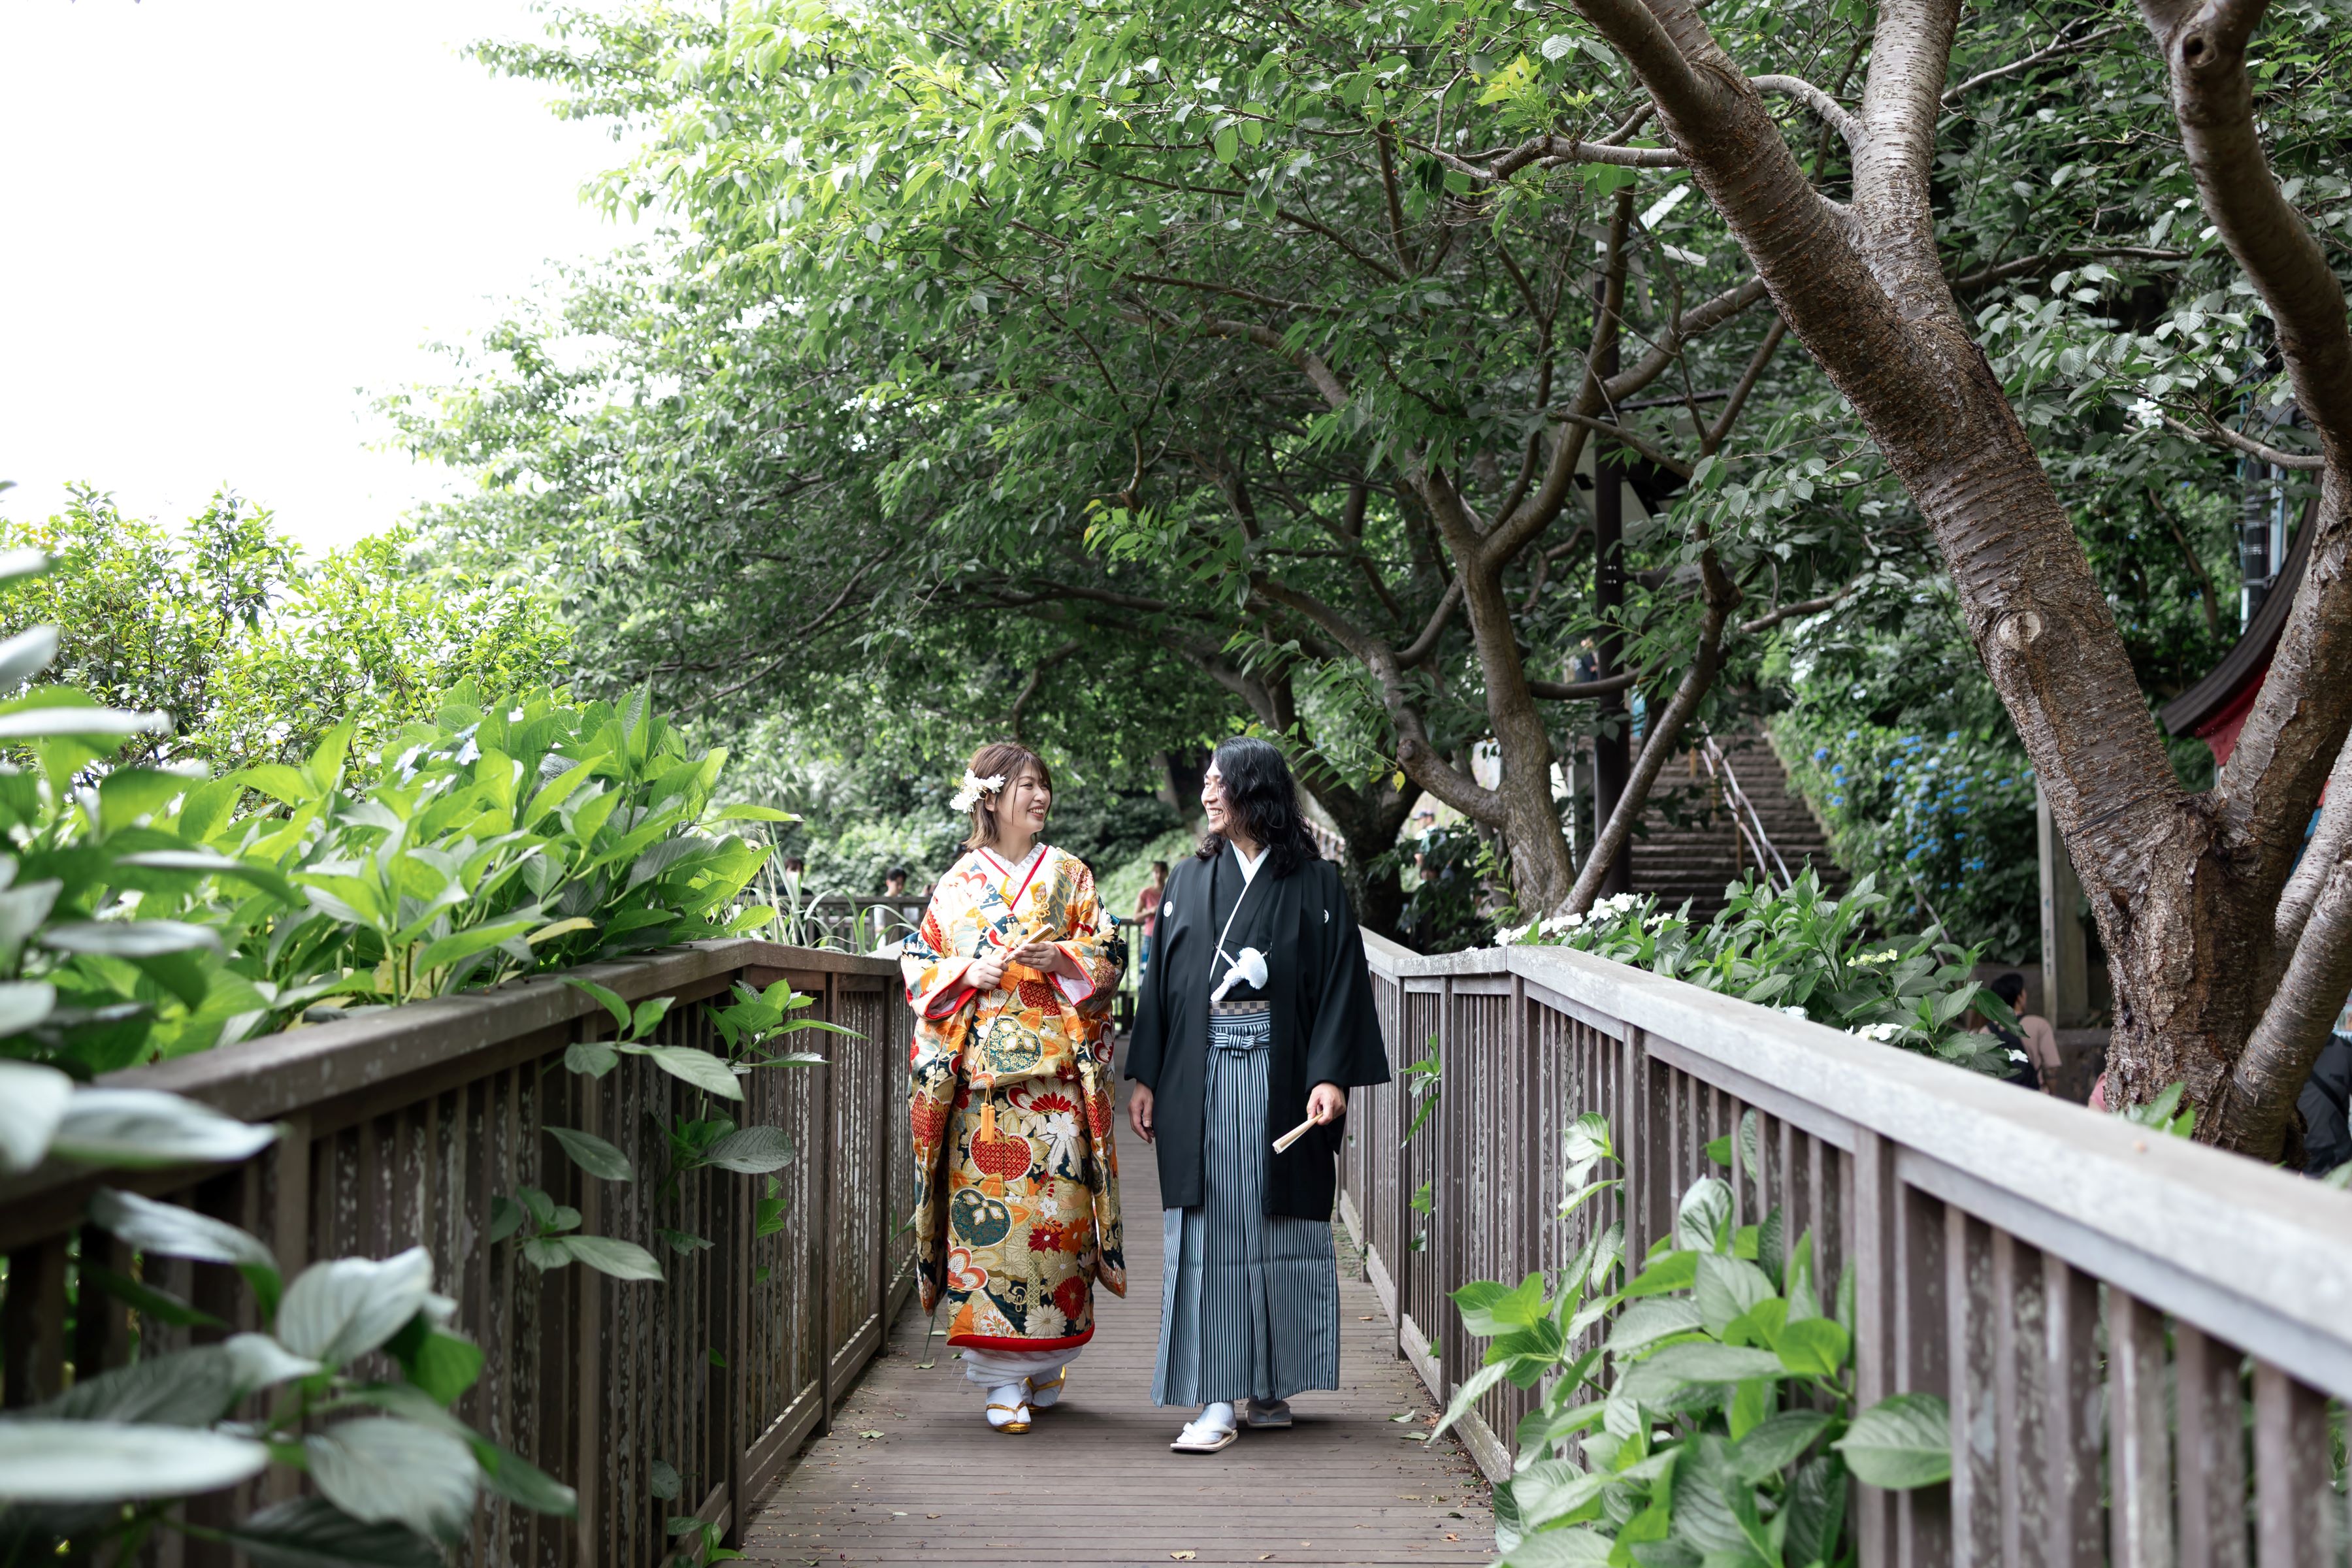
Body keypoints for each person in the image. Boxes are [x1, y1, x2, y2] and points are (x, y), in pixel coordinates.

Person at [1126, 736, 1390, 1454]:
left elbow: (1340, 985)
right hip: (1202, 1076)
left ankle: (1269, 1382)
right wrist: (1146, 1073)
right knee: (1211, 1228)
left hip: (1283, 1079)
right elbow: (1163, 986)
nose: (1208, 794)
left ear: (1256, 793)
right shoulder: (1187, 880)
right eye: (1207, 783)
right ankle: (1216, 1397)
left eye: (1219, 783)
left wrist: (1331, 1074)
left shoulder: (1319, 885)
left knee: (1279, 1228)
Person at [900, 742, 1125, 1433]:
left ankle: (1040, 1362)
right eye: (1026, 786)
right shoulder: (958, 883)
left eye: (1043, 786)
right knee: (988, 1239)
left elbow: (1108, 953)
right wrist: (970, 973)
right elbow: (920, 962)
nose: (1040, 797)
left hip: (1055, 1091)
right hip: (984, 1099)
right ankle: (1000, 1383)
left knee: (1057, 1233)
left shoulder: (1070, 875)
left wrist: (1062, 957)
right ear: (990, 798)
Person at [1985, 972, 2061, 1095]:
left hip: (1998, 1098)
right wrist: (2051, 1094)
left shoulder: (1985, 1031)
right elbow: (2052, 1069)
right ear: (2019, 997)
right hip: (2034, 1096)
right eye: (2024, 991)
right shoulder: (2039, 1025)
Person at [1134, 860, 1168, 973]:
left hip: (1167, 936)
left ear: (1166, 874)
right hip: (1150, 936)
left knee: (1164, 969)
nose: (1159, 875)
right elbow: (1136, 917)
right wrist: (1151, 911)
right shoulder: (1146, 893)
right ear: (1153, 874)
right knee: (1148, 969)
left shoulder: (1170, 891)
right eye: (1156, 872)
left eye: (1161, 872)